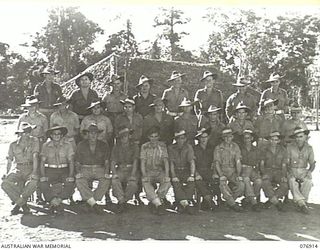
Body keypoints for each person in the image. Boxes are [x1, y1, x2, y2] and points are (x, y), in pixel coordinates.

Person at [1, 123, 39, 215]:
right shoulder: (13, 144)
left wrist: (34, 172)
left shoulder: (34, 141)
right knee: (5, 183)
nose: (26, 134)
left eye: (28, 132)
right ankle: (22, 204)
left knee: (33, 183)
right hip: (17, 168)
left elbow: (35, 157)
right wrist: (7, 173)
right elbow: (10, 160)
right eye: (24, 132)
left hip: (30, 167)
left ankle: (18, 205)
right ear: (20, 133)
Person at [75, 123, 111, 214]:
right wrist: (78, 172)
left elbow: (107, 161)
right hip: (85, 168)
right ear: (87, 134)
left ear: (98, 134)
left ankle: (90, 202)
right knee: (79, 180)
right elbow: (77, 162)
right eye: (91, 133)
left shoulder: (103, 145)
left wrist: (107, 172)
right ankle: (94, 204)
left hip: (99, 168)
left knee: (107, 180)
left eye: (95, 133)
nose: (93, 135)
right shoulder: (81, 145)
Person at [39, 125, 75, 214]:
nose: (57, 135)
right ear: (51, 135)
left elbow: (71, 161)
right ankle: (53, 201)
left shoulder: (68, 145)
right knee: (42, 183)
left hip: (64, 170)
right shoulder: (46, 146)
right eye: (54, 134)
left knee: (71, 183)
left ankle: (56, 202)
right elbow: (42, 162)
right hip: (50, 170)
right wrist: (43, 175)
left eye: (59, 134)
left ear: (62, 135)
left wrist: (70, 175)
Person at [140, 126, 171, 215]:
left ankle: (155, 201)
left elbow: (165, 161)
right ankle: (159, 204)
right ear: (148, 137)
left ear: (159, 137)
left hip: (159, 171)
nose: (154, 139)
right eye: (152, 136)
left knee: (167, 182)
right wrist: (144, 175)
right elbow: (143, 162)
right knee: (145, 182)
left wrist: (167, 175)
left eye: (156, 136)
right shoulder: (144, 146)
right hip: (149, 171)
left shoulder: (162, 146)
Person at [213, 127, 245, 212]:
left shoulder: (235, 146)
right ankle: (234, 206)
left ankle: (229, 203)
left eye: (229, 136)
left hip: (233, 171)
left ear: (232, 137)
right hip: (222, 170)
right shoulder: (218, 148)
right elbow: (217, 163)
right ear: (223, 138)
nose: (228, 139)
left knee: (241, 185)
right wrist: (221, 175)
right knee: (223, 185)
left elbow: (238, 161)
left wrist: (238, 175)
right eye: (225, 137)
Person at [110, 126, 139, 213]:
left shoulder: (134, 146)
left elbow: (135, 161)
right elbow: (113, 162)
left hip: (131, 169)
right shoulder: (116, 147)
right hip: (121, 168)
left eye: (125, 136)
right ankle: (121, 201)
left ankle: (124, 201)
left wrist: (133, 174)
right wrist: (114, 173)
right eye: (122, 137)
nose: (124, 138)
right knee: (115, 181)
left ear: (129, 136)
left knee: (133, 184)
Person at [287, 127, 316, 214]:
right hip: (292, 169)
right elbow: (287, 163)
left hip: (303, 170)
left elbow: (312, 163)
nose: (298, 139)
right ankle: (302, 204)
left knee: (308, 181)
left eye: (301, 136)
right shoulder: (290, 147)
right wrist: (290, 172)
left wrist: (309, 172)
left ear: (305, 137)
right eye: (297, 137)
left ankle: (301, 203)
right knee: (292, 181)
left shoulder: (309, 148)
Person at [168, 130, 196, 214]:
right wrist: (173, 175)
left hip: (186, 170)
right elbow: (171, 163)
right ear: (176, 140)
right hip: (176, 170)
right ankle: (186, 204)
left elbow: (191, 162)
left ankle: (182, 203)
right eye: (178, 139)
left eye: (183, 138)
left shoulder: (188, 147)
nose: (181, 140)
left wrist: (191, 174)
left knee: (191, 182)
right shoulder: (171, 148)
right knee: (176, 183)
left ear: (185, 139)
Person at [260, 131, 288, 212]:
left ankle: (271, 201)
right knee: (265, 182)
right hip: (268, 170)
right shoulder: (264, 149)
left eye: (276, 140)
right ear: (269, 140)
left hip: (279, 171)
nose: (273, 142)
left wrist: (283, 176)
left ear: (279, 141)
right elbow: (261, 164)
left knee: (285, 185)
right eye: (272, 139)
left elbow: (284, 165)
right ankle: (277, 203)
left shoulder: (283, 150)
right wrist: (264, 173)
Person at [193, 128, 218, 211]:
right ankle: (210, 201)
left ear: (208, 137)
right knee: (199, 182)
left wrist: (214, 172)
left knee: (215, 181)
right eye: (202, 137)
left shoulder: (212, 148)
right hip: (198, 170)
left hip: (209, 170)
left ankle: (212, 200)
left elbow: (215, 162)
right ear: (199, 139)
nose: (204, 139)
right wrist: (196, 173)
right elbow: (192, 163)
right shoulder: (195, 149)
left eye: (205, 137)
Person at [240, 129, 262, 211]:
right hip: (243, 168)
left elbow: (258, 161)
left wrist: (258, 170)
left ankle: (247, 199)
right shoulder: (240, 148)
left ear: (252, 138)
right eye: (245, 138)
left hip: (252, 169)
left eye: (248, 138)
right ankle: (254, 203)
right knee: (246, 179)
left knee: (259, 181)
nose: (247, 140)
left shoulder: (256, 149)